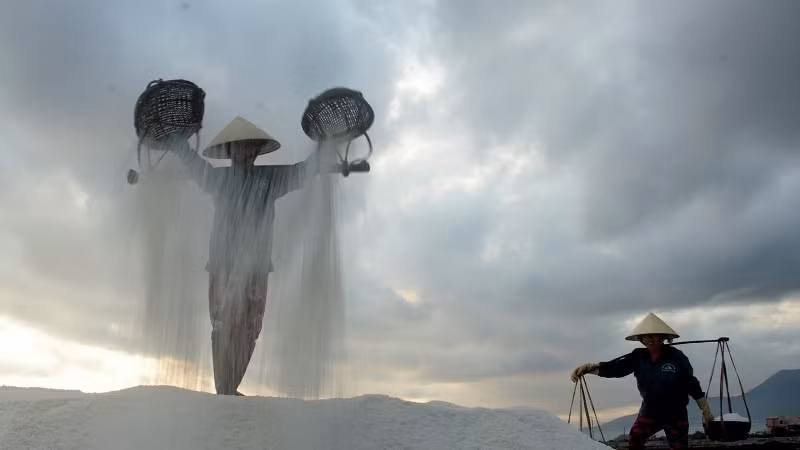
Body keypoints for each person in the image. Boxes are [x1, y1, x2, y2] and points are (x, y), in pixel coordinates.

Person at [167, 115, 339, 395]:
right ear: (230, 151)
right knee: (223, 323)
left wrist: (323, 150)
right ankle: (223, 387)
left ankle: (230, 386)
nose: (245, 152)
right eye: (239, 148)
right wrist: (180, 147)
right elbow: (197, 168)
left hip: (257, 267)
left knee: (250, 327)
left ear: (257, 152)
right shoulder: (218, 179)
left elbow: (303, 172)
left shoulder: (269, 179)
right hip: (223, 264)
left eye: (250, 148)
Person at [570, 312, 715, 449]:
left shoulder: (677, 357)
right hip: (650, 410)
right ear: (641, 339)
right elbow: (617, 369)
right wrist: (592, 369)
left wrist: (705, 410)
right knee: (635, 440)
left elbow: (691, 383)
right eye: (646, 336)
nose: (650, 339)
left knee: (679, 446)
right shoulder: (638, 357)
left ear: (662, 337)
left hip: (675, 412)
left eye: (654, 336)